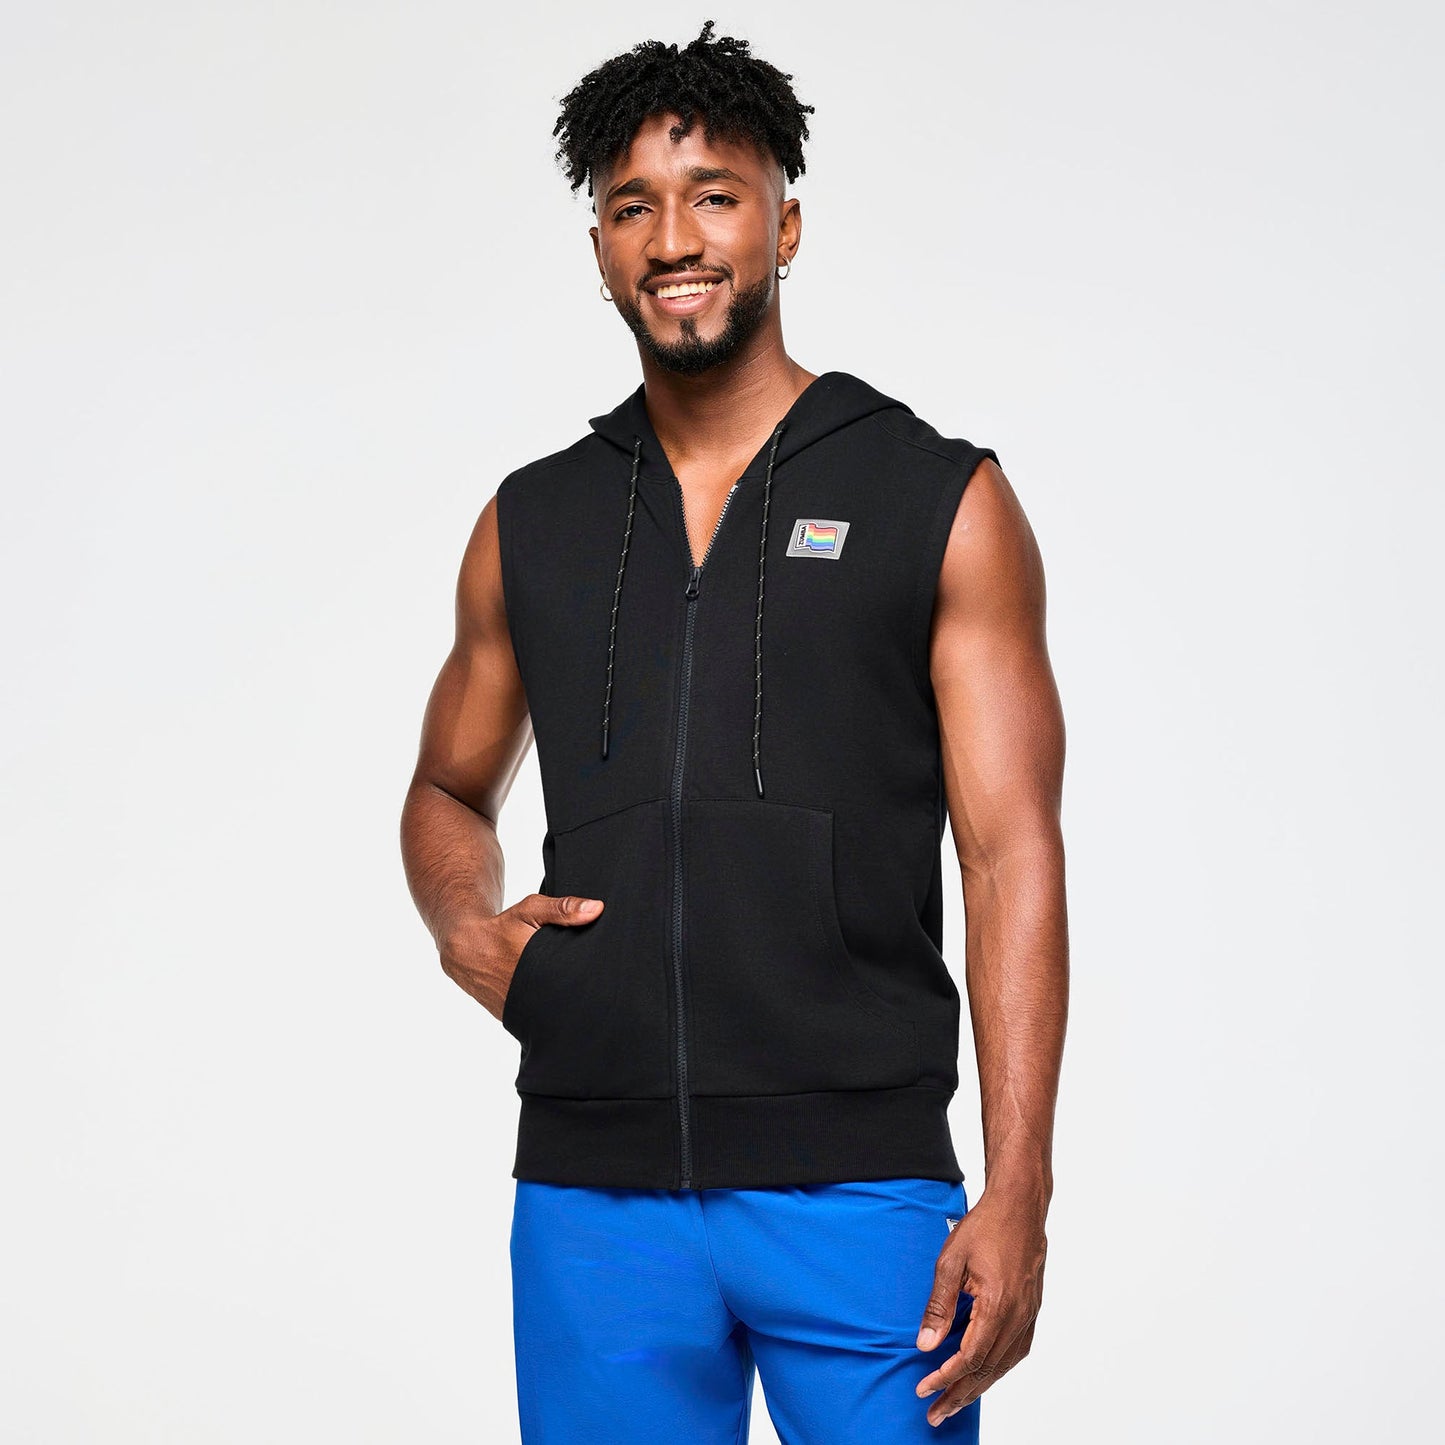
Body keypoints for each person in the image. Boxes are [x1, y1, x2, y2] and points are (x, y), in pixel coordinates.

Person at [400, 20, 1067, 1442]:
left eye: (714, 195)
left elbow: (1010, 852)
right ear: (599, 247)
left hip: (864, 1191)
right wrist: (465, 924)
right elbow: (445, 788)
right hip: (593, 1197)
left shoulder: (936, 497)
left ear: (785, 225)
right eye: (631, 205)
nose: (673, 239)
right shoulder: (533, 519)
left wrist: (1018, 1182)